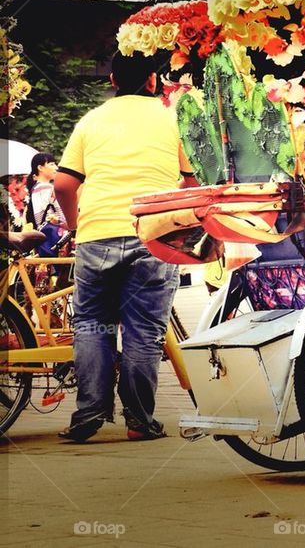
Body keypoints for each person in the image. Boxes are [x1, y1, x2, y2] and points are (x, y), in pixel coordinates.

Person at [54, 52, 197, 442]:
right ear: (153, 80)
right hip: (152, 234)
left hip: (96, 232)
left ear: (114, 80)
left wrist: (76, 224)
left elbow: (64, 185)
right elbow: (192, 182)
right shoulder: (172, 118)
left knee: (91, 326)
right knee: (143, 330)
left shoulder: (91, 120)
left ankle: (88, 415)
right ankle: (139, 421)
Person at [26, 152, 66, 256]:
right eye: (52, 164)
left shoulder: (35, 188)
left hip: (44, 238)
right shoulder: (47, 188)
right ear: (40, 167)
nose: (56, 168)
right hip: (55, 237)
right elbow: (61, 214)